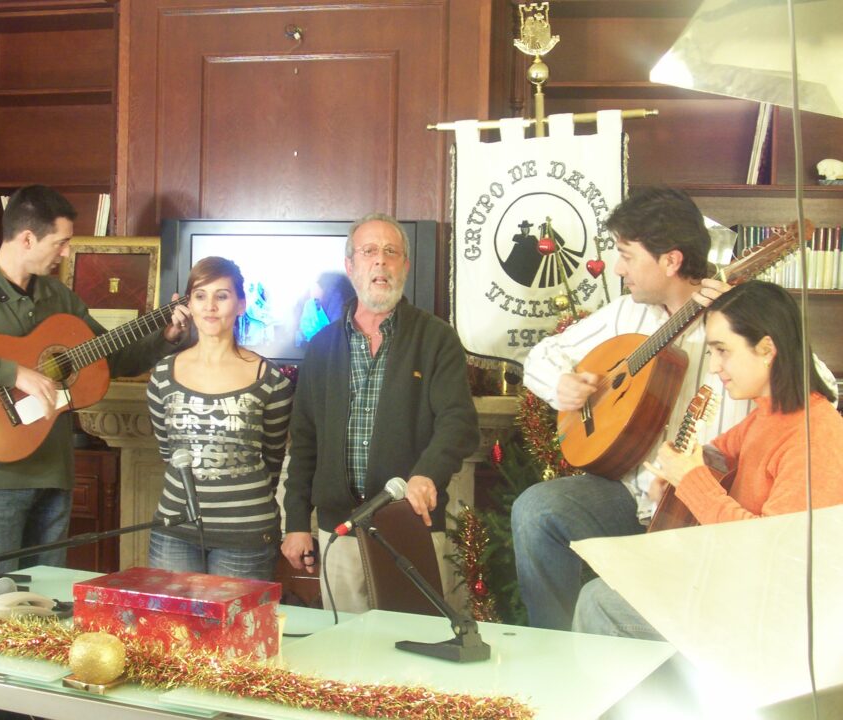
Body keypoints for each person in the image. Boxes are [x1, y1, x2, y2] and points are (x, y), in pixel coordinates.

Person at [510, 186, 840, 631]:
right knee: (538, 509)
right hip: (634, 493)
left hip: (702, 516)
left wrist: (730, 322)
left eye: (627, 254)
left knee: (603, 600)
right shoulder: (626, 314)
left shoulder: (743, 326)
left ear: (670, 260)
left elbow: (808, 385)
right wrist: (565, 387)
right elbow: (541, 358)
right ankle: (553, 645)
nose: (617, 267)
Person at [0, 185, 188, 579]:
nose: (67, 253)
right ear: (26, 238)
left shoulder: (58, 296)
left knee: (43, 594)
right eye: (61, 242)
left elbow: (107, 358)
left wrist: (164, 337)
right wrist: (13, 372)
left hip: (55, 471)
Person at [573, 280, 843, 639]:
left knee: (600, 602)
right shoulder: (766, 415)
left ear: (766, 349)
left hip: (767, 620)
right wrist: (671, 484)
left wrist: (689, 481)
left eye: (722, 351)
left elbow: (772, 550)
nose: (714, 367)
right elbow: (709, 459)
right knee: (604, 585)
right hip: (731, 589)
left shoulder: (815, 433)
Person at [281, 212, 479, 612]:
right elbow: (304, 443)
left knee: (413, 660)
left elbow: (458, 422)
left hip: (412, 528)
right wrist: (297, 523)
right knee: (346, 658)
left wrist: (427, 474)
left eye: (392, 253)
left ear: (405, 265)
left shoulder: (437, 338)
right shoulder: (321, 348)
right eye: (369, 252)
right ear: (350, 266)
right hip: (341, 534)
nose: (381, 262)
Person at [146, 256, 294, 581]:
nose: (210, 306)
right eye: (200, 295)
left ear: (241, 304)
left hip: (245, 536)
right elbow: (169, 453)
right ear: (189, 305)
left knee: (234, 632)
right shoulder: (161, 375)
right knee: (170, 630)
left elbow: (272, 459)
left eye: (222, 296)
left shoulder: (270, 379)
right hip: (175, 530)